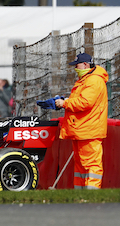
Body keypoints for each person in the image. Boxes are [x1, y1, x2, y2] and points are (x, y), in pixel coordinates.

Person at [46, 52, 109, 189]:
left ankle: (91, 195)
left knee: (91, 164)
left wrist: (65, 103)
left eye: (77, 65)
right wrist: (66, 101)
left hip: (89, 130)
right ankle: (80, 194)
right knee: (81, 165)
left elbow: (85, 102)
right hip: (83, 130)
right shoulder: (87, 80)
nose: (76, 68)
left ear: (86, 64)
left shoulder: (94, 80)